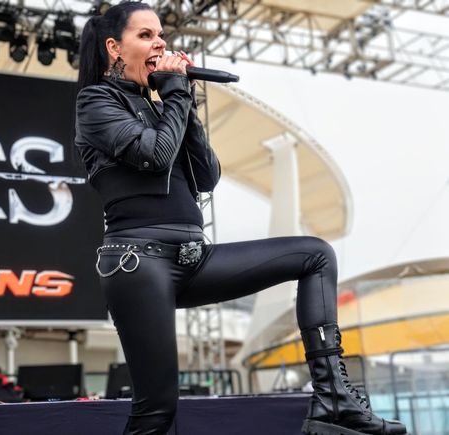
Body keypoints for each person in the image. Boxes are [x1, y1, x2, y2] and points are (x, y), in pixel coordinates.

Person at [74, 3, 407, 435]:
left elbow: (207, 176)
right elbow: (154, 156)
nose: (160, 43)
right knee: (157, 411)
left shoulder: (163, 106)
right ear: (114, 47)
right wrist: (176, 94)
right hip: (139, 262)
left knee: (316, 255)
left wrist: (184, 103)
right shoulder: (95, 101)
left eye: (161, 35)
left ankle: (333, 398)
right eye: (146, 35)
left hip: (193, 257)